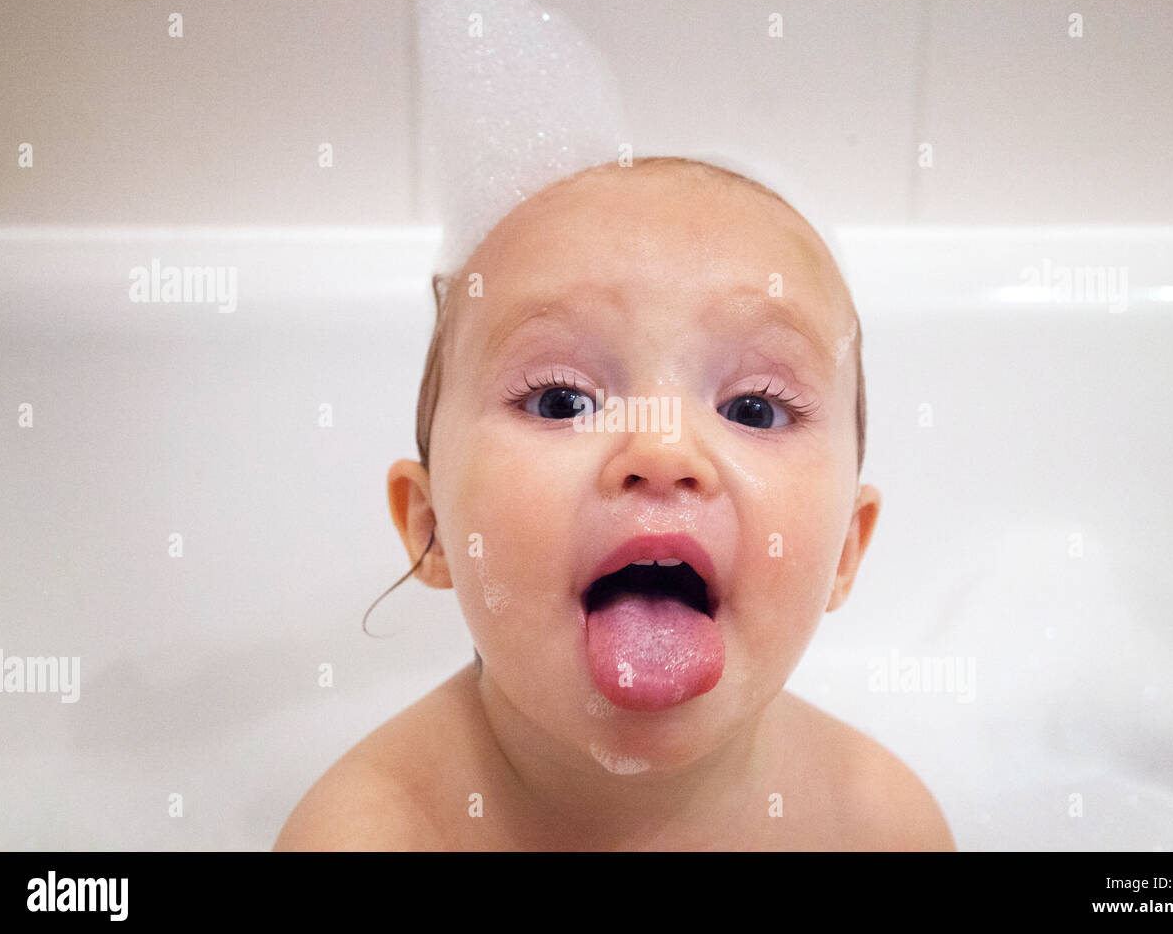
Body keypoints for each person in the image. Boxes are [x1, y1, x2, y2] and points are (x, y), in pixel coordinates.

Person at [275, 156, 955, 850]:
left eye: (753, 409)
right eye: (561, 401)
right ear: (434, 528)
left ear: (846, 549)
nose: (662, 451)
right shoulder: (368, 836)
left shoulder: (878, 824)